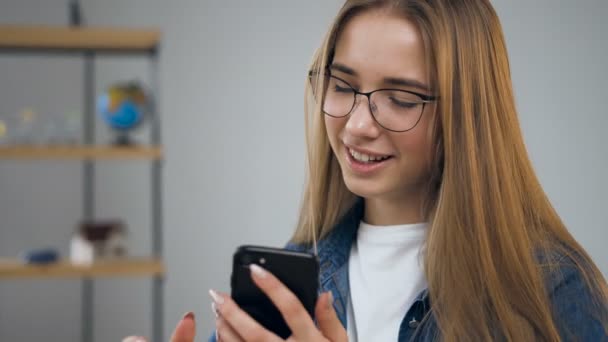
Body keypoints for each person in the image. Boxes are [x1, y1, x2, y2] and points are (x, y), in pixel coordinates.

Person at [125, 0, 608, 341]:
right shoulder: (296, 274)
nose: (356, 126)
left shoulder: (553, 290)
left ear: (469, 114)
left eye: (400, 99)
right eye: (342, 86)